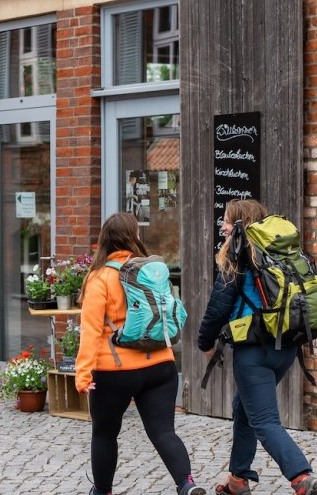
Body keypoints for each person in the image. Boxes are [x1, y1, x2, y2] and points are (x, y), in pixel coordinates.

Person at [195, 199, 317, 495]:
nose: (223, 226)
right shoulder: (281, 253)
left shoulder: (237, 256)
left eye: (227, 221)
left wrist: (205, 343)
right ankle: (238, 480)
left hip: (253, 352)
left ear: (240, 224)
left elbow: (218, 307)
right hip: (285, 348)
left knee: (264, 420)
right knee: (243, 407)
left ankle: (301, 476)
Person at [75, 212, 199, 495]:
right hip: (161, 366)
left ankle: (103, 491)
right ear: (134, 238)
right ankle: (187, 484)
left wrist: (82, 375)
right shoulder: (152, 271)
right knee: (164, 432)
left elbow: (91, 330)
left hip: (115, 372)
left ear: (104, 241)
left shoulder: (100, 278)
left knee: (105, 434)